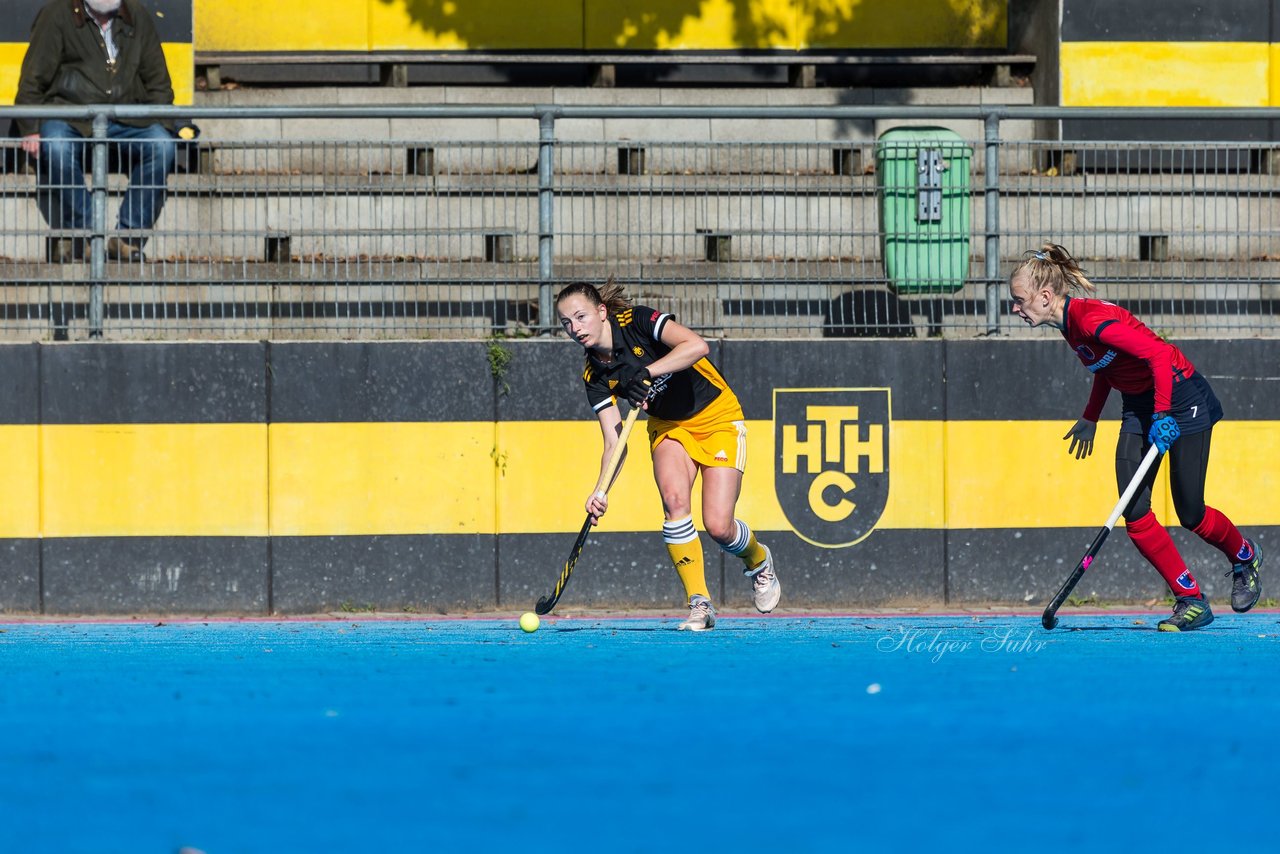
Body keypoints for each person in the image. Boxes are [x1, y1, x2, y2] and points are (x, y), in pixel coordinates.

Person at [1009, 243, 1263, 631]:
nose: (1015, 309)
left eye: (1019, 300)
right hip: (1141, 405)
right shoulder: (1069, 326)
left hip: (1181, 396)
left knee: (1190, 512)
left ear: (1045, 297)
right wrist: (1090, 417)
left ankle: (1244, 557)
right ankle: (1190, 599)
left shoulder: (1091, 320)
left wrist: (1163, 413)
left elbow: (1158, 355)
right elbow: (1105, 365)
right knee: (1135, 511)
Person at [556, 279, 780, 631]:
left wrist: (648, 372)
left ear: (601, 312)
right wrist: (600, 491)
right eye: (566, 323)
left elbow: (697, 346)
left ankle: (758, 561)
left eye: (581, 317)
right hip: (668, 425)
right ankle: (699, 604)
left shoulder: (638, 321)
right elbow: (615, 442)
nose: (575, 328)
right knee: (675, 501)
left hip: (716, 414)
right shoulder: (594, 374)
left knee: (719, 526)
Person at [14, 0, 194, 263]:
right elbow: (33, 77)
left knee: (161, 145)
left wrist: (164, 125)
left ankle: (126, 237)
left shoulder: (137, 16)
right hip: (71, 116)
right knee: (56, 143)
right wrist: (30, 128)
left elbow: (159, 82)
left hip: (127, 119)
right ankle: (89, 233)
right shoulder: (57, 15)